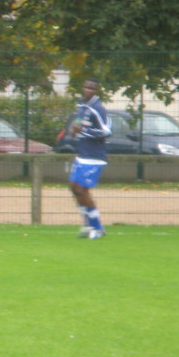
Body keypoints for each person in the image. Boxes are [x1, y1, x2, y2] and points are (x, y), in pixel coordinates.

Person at [67, 77, 111, 239]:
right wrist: (74, 130)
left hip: (94, 156)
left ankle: (98, 227)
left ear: (96, 90)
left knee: (82, 190)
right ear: (83, 87)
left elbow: (106, 132)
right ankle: (87, 224)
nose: (89, 90)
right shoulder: (81, 106)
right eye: (87, 87)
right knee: (73, 187)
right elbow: (79, 122)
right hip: (82, 154)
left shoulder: (98, 108)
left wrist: (83, 132)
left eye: (92, 88)